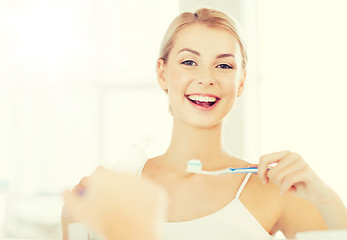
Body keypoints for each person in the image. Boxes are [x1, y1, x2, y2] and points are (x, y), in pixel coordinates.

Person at [62, 8, 347, 240]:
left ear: (242, 82)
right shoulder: (114, 191)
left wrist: (325, 197)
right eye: (189, 62)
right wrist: (76, 221)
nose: (206, 78)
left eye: (224, 66)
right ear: (162, 73)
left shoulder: (275, 190)